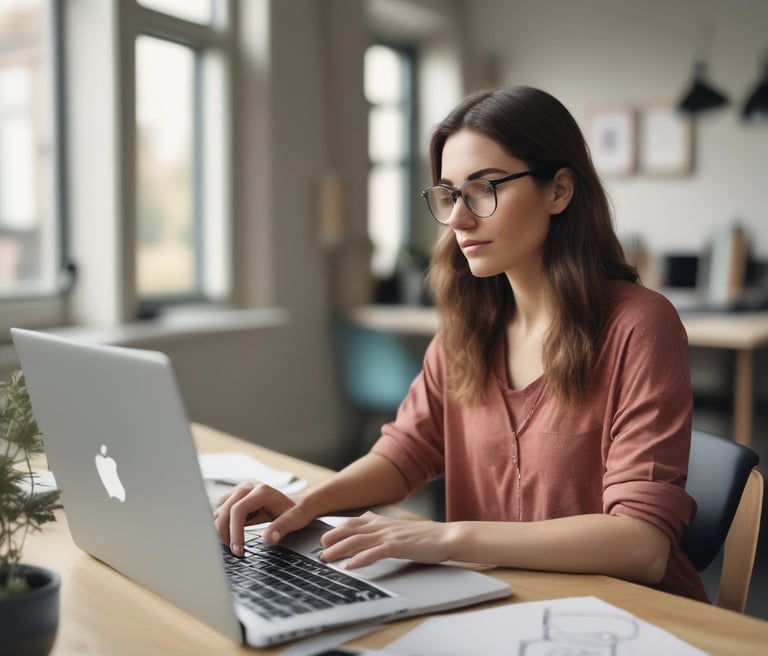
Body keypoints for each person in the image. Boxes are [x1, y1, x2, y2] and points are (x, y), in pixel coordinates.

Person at [215, 86, 707, 602]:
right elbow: (405, 454)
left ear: (559, 190)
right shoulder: (468, 328)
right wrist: (304, 504)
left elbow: (643, 545)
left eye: (485, 188)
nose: (458, 219)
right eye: (449, 194)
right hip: (500, 603)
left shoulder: (640, 326)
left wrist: (445, 537)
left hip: (626, 621)